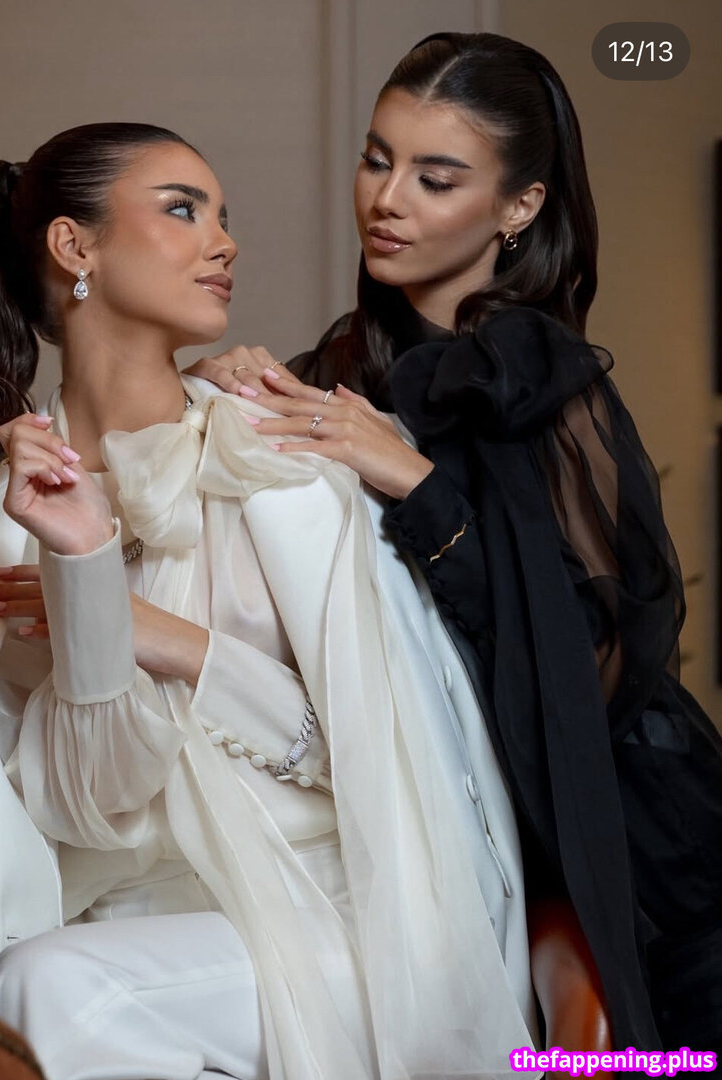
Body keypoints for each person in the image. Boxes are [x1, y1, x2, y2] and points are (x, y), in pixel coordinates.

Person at [0, 121, 538, 1080]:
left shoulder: (286, 461)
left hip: (342, 922)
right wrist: (85, 561)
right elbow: (89, 808)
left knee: (54, 991)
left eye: (224, 218)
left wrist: (166, 639)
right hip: (124, 932)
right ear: (74, 246)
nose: (224, 243)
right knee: (56, 983)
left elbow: (381, 758)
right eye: (184, 210)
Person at [188, 32, 722, 1055]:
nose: (386, 200)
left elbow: (598, 660)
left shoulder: (546, 385)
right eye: (375, 159)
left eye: (435, 179)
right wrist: (219, 393)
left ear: (519, 207)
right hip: (452, 843)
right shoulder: (342, 369)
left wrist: (417, 484)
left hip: (646, 859)